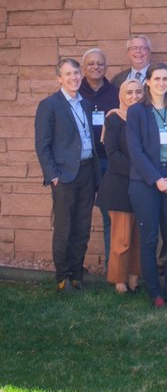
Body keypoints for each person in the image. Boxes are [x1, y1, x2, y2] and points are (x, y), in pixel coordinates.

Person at [34, 59, 102, 293]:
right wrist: (53, 175)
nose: (73, 77)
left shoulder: (86, 104)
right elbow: (42, 145)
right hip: (64, 176)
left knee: (82, 227)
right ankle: (62, 278)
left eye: (76, 73)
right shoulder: (50, 105)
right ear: (59, 79)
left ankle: (76, 274)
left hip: (87, 173)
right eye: (68, 74)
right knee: (64, 228)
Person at [125, 63, 167, 307]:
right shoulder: (137, 112)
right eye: (157, 79)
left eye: (166, 79)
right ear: (148, 82)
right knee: (149, 239)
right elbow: (135, 150)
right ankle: (155, 293)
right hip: (145, 182)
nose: (162, 83)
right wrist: (157, 180)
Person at [98, 79, 143, 293]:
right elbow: (112, 154)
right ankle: (118, 280)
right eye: (129, 92)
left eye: (138, 92)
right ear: (121, 95)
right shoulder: (114, 119)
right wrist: (140, 172)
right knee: (122, 238)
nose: (134, 96)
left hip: (143, 185)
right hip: (119, 185)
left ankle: (134, 277)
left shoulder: (146, 117)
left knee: (139, 237)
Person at [79, 48, 118, 269]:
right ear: (83, 68)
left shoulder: (115, 92)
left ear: (106, 67)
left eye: (100, 63)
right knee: (81, 213)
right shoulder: (75, 91)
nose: (96, 67)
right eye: (91, 64)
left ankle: (112, 266)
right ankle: (76, 266)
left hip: (108, 162)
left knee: (110, 215)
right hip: (83, 162)